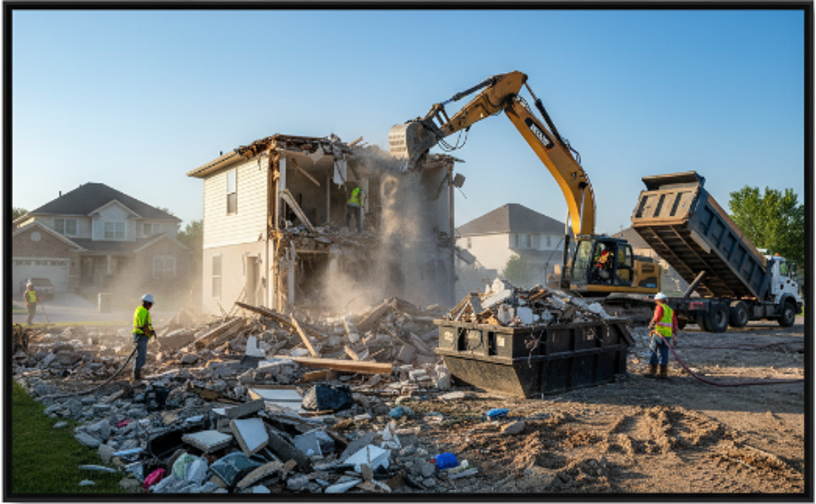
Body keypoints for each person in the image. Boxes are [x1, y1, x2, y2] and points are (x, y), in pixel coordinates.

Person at [647, 292, 678, 379]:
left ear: (659, 300)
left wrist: (651, 324)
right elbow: (674, 323)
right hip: (667, 335)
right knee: (663, 352)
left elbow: (657, 317)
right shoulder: (670, 310)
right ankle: (663, 372)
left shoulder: (659, 307)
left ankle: (652, 371)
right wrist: (675, 335)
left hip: (659, 333)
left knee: (653, 350)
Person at [132, 293, 156, 381]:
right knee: (141, 355)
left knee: (137, 355)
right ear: (147, 303)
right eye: (151, 304)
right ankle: (137, 375)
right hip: (141, 335)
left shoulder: (139, 309)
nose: (151, 306)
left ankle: (135, 373)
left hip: (138, 334)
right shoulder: (144, 311)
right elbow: (143, 325)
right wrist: (150, 332)